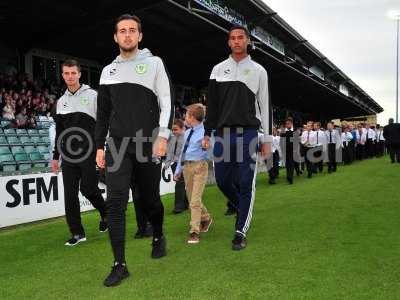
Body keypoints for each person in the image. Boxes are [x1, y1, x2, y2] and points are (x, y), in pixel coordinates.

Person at [95, 14, 173, 287]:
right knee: (115, 202)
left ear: (140, 36)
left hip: (146, 142)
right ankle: (120, 264)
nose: (127, 35)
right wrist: (98, 146)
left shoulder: (154, 63)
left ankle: (158, 234)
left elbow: (166, 100)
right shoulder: (107, 71)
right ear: (115, 37)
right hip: (116, 144)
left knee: (149, 199)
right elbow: (103, 113)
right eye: (122, 31)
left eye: (132, 31)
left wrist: (163, 135)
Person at [202, 25, 271, 251]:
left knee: (245, 183)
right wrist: (206, 133)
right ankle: (239, 207)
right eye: (233, 38)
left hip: (249, 133)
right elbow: (212, 106)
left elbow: (266, 106)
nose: (237, 41)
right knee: (222, 180)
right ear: (229, 43)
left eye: (241, 37)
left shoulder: (259, 70)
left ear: (248, 41)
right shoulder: (217, 69)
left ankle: (240, 232)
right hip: (222, 134)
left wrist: (267, 140)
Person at [51, 59, 107, 246]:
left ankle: (105, 213)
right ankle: (77, 233)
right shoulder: (60, 102)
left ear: (79, 74)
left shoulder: (93, 96)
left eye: (73, 73)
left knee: (88, 189)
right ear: (62, 75)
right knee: (70, 194)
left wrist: (101, 148)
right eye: (66, 73)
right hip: (68, 156)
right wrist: (56, 156)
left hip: (89, 152)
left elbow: (102, 124)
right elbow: (60, 132)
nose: (70, 76)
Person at [174, 104, 212, 244]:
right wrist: (178, 170)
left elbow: (210, 152)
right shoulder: (187, 133)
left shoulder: (205, 133)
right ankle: (206, 217)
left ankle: (194, 231)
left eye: (187, 115)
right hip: (187, 168)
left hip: (200, 167)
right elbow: (182, 153)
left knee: (194, 201)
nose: (185, 117)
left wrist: (206, 146)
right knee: (192, 200)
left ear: (192, 117)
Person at [164, 119, 189, 214]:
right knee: (180, 184)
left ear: (183, 128)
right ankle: (186, 203)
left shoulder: (187, 138)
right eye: (173, 129)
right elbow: (169, 152)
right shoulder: (172, 138)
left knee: (179, 184)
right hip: (174, 164)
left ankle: (178, 206)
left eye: (176, 129)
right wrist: (167, 163)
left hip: (185, 164)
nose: (174, 131)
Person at [280, 117, 301, 185]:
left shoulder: (295, 131)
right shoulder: (283, 132)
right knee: (287, 164)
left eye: (288, 124)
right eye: (286, 124)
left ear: (291, 124)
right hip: (285, 151)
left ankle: (290, 177)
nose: (287, 125)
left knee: (291, 164)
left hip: (293, 151)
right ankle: (288, 176)